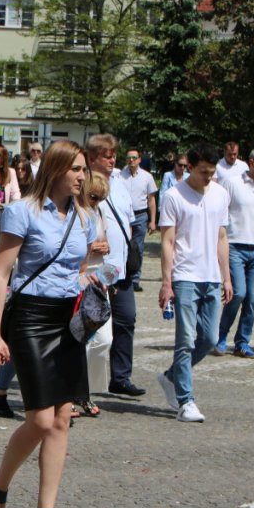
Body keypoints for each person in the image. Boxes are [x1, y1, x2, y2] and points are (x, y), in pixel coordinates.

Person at [0, 140, 98, 508]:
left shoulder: (86, 217)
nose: (82, 176)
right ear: (56, 169)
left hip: (68, 320)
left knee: (62, 420)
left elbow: (81, 270)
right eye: (76, 169)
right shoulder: (22, 211)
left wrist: (97, 279)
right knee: (40, 419)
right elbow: (1, 274)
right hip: (29, 319)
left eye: (84, 169)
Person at [156, 143, 233, 423]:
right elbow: (167, 240)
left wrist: (226, 276)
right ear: (190, 166)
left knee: (210, 338)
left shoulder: (221, 194)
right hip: (185, 275)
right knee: (186, 340)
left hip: (211, 276)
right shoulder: (173, 196)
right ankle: (185, 401)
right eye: (203, 172)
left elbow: (222, 237)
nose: (208, 178)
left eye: (212, 172)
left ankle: (171, 377)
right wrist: (167, 282)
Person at [85, 134, 144, 397]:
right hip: (96, 269)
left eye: (113, 154)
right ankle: (82, 384)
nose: (112, 159)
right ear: (92, 158)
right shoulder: (84, 184)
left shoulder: (119, 184)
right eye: (106, 155)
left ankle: (120, 377)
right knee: (92, 327)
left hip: (120, 267)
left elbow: (128, 223)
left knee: (126, 319)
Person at [213, 147, 254, 358]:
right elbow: (220, 212)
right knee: (238, 293)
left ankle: (242, 342)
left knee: (252, 298)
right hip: (235, 245)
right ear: (251, 163)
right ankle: (220, 337)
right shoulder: (232, 183)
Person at [75, 172, 113, 418]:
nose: (97, 201)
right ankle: (72, 393)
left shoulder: (98, 211)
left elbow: (105, 240)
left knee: (104, 339)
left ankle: (85, 390)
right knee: (78, 340)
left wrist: (105, 246)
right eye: (93, 196)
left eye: (101, 198)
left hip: (99, 278)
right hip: (80, 278)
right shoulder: (76, 212)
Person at [119, 148, 158, 292]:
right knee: (122, 245)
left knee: (138, 248)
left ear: (139, 160)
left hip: (140, 215)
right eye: (129, 158)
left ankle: (135, 279)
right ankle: (122, 275)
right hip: (123, 216)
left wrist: (153, 220)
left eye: (134, 158)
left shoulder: (147, 177)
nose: (131, 160)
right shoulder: (119, 176)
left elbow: (151, 200)